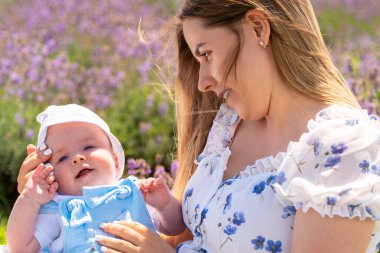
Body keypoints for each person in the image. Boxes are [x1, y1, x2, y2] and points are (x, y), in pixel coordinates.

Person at [16, 0, 380, 252]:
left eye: (206, 54)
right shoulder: (229, 124)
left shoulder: (343, 148)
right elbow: (192, 236)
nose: (203, 81)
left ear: (258, 28)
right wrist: (48, 200)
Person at [7, 104, 184, 253]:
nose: (77, 158)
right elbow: (20, 248)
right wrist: (30, 199)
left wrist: (165, 204)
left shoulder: (133, 193)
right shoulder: (61, 210)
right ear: (52, 177)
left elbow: (176, 228)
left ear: (115, 161)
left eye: (88, 146)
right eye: (62, 158)